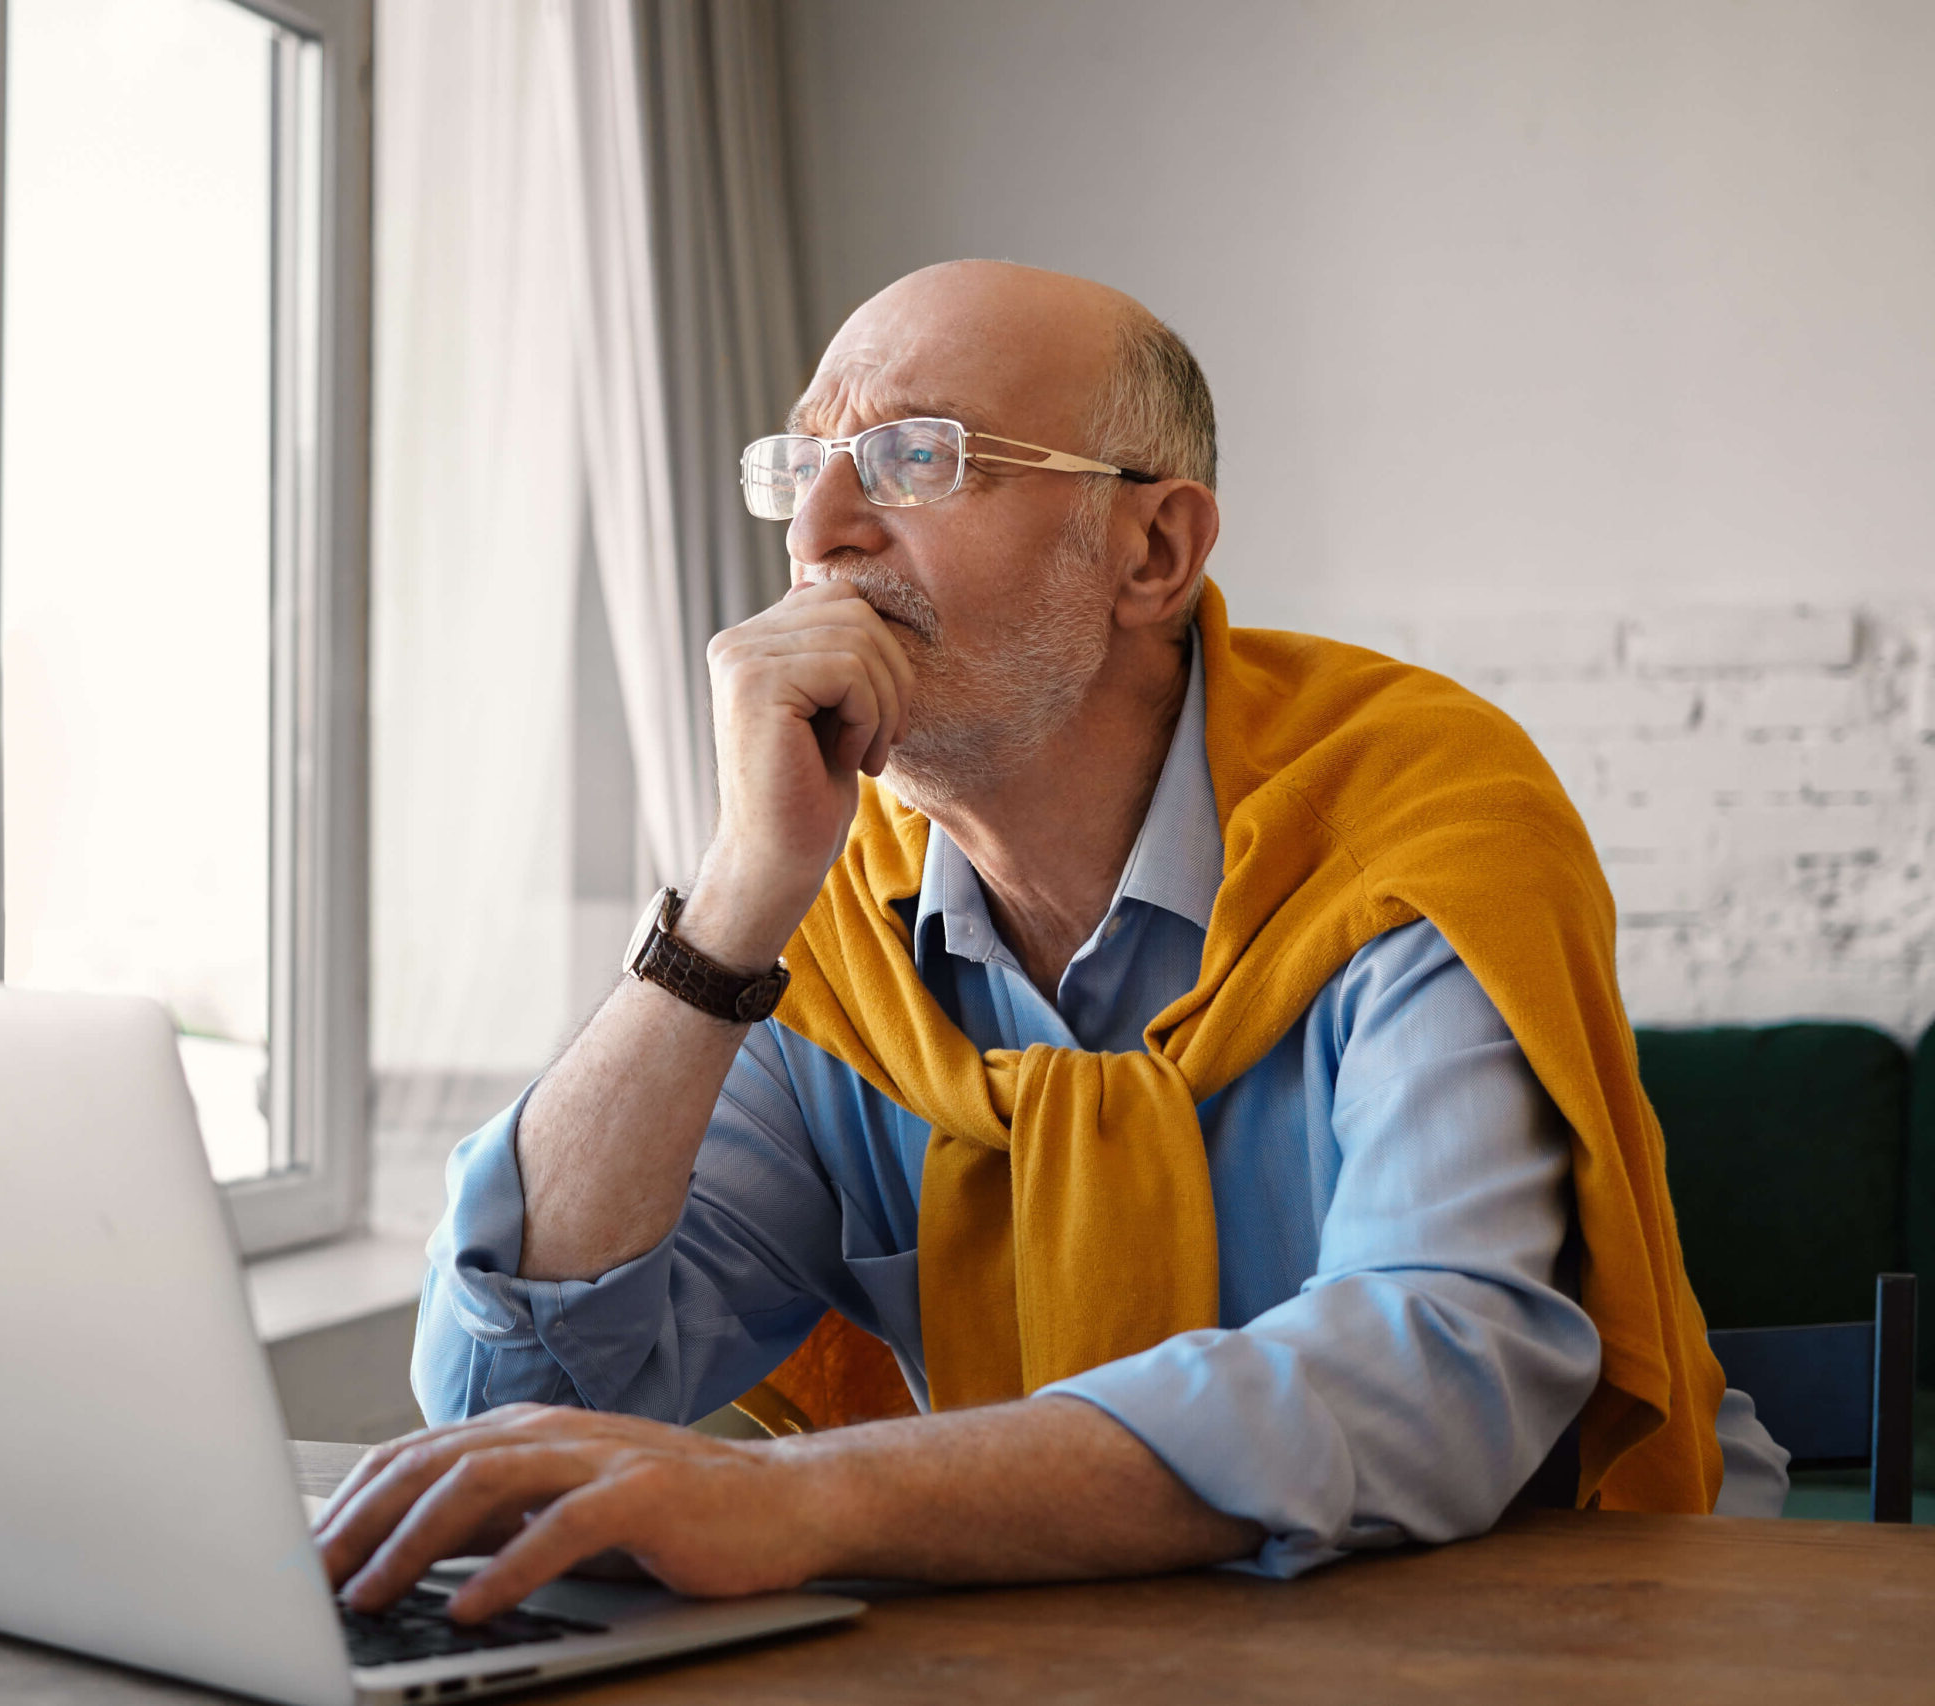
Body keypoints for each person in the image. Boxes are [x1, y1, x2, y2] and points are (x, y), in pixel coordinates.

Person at [315, 261, 1787, 1623]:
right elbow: (509, 1385)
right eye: (803, 467)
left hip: (1516, 1624)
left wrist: (801, 1498)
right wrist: (732, 897)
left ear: (1153, 546)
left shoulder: (1419, 820)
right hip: (1051, 1635)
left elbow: (1434, 1369)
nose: (818, 533)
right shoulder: (826, 919)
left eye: (915, 457)